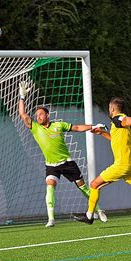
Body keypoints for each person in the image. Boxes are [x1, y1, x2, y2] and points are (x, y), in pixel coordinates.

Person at [17, 81, 107, 227]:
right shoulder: (35, 128)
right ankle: (51, 219)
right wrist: (22, 96)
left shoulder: (59, 125)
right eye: (36, 115)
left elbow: (77, 127)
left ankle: (99, 210)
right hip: (51, 165)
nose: (38, 117)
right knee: (50, 186)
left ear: (47, 115)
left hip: (67, 162)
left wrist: (94, 126)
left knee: (83, 188)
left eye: (40, 114)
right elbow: (22, 114)